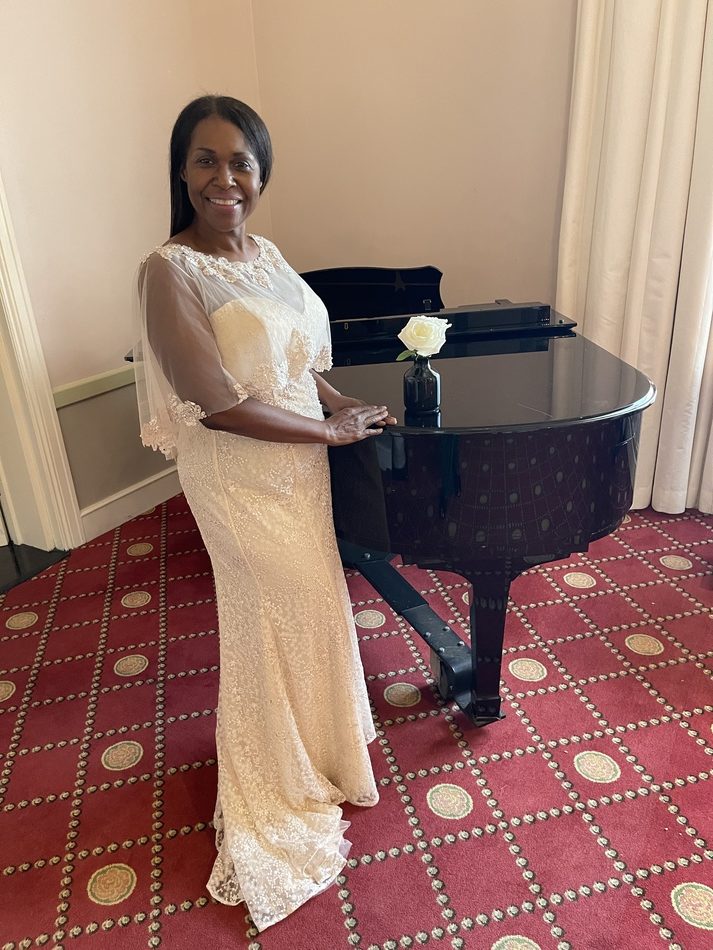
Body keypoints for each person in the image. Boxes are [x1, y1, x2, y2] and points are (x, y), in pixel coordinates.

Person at [133, 95, 397, 931]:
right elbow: (212, 401)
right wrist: (325, 427)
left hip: (300, 469)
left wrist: (341, 404)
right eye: (206, 160)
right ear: (181, 171)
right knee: (269, 611)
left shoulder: (269, 252)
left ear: (262, 171)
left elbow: (297, 363)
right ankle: (272, 780)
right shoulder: (169, 268)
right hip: (240, 474)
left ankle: (320, 753)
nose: (225, 178)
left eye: (241, 161)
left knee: (313, 602)